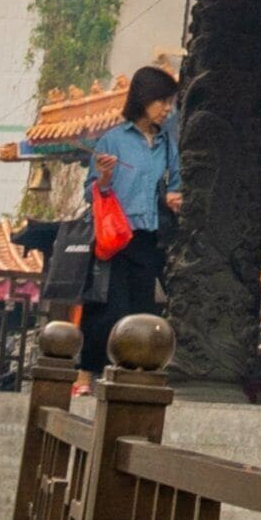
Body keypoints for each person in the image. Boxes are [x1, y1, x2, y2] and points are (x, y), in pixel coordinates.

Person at [82, 66, 182, 354]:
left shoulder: (166, 145)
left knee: (141, 309)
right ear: (143, 98)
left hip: (149, 238)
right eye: (161, 101)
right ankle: (92, 373)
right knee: (109, 308)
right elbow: (91, 194)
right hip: (114, 238)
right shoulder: (113, 140)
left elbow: (174, 186)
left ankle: (132, 369)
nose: (167, 109)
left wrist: (174, 199)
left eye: (170, 102)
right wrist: (103, 178)